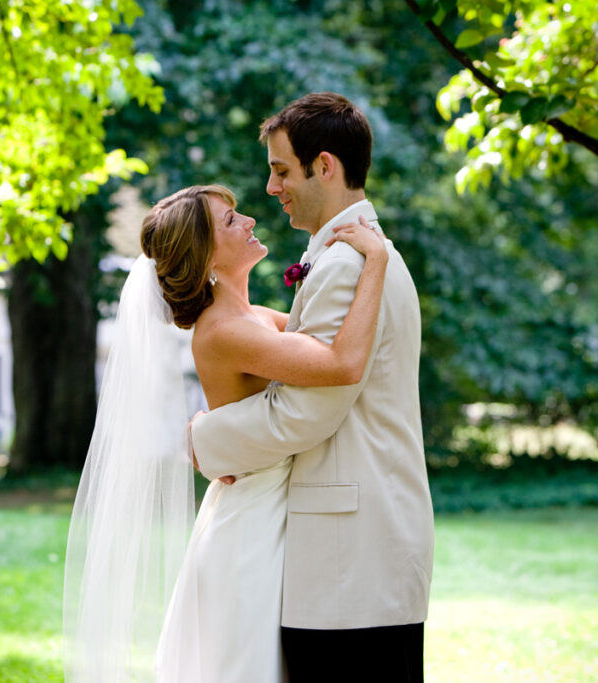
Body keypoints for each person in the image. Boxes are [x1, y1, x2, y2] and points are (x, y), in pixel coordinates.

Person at [63, 183, 388, 682]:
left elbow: (330, 339)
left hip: (273, 504)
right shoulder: (224, 331)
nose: (250, 221)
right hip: (252, 522)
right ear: (206, 255)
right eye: (231, 220)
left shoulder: (252, 318)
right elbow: (341, 362)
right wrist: (377, 263)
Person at [190, 92, 435, 682]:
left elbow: (305, 413)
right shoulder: (348, 255)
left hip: (350, 557)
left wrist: (204, 441)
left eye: (280, 170)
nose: (271, 188)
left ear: (323, 166)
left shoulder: (348, 264)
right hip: (357, 553)